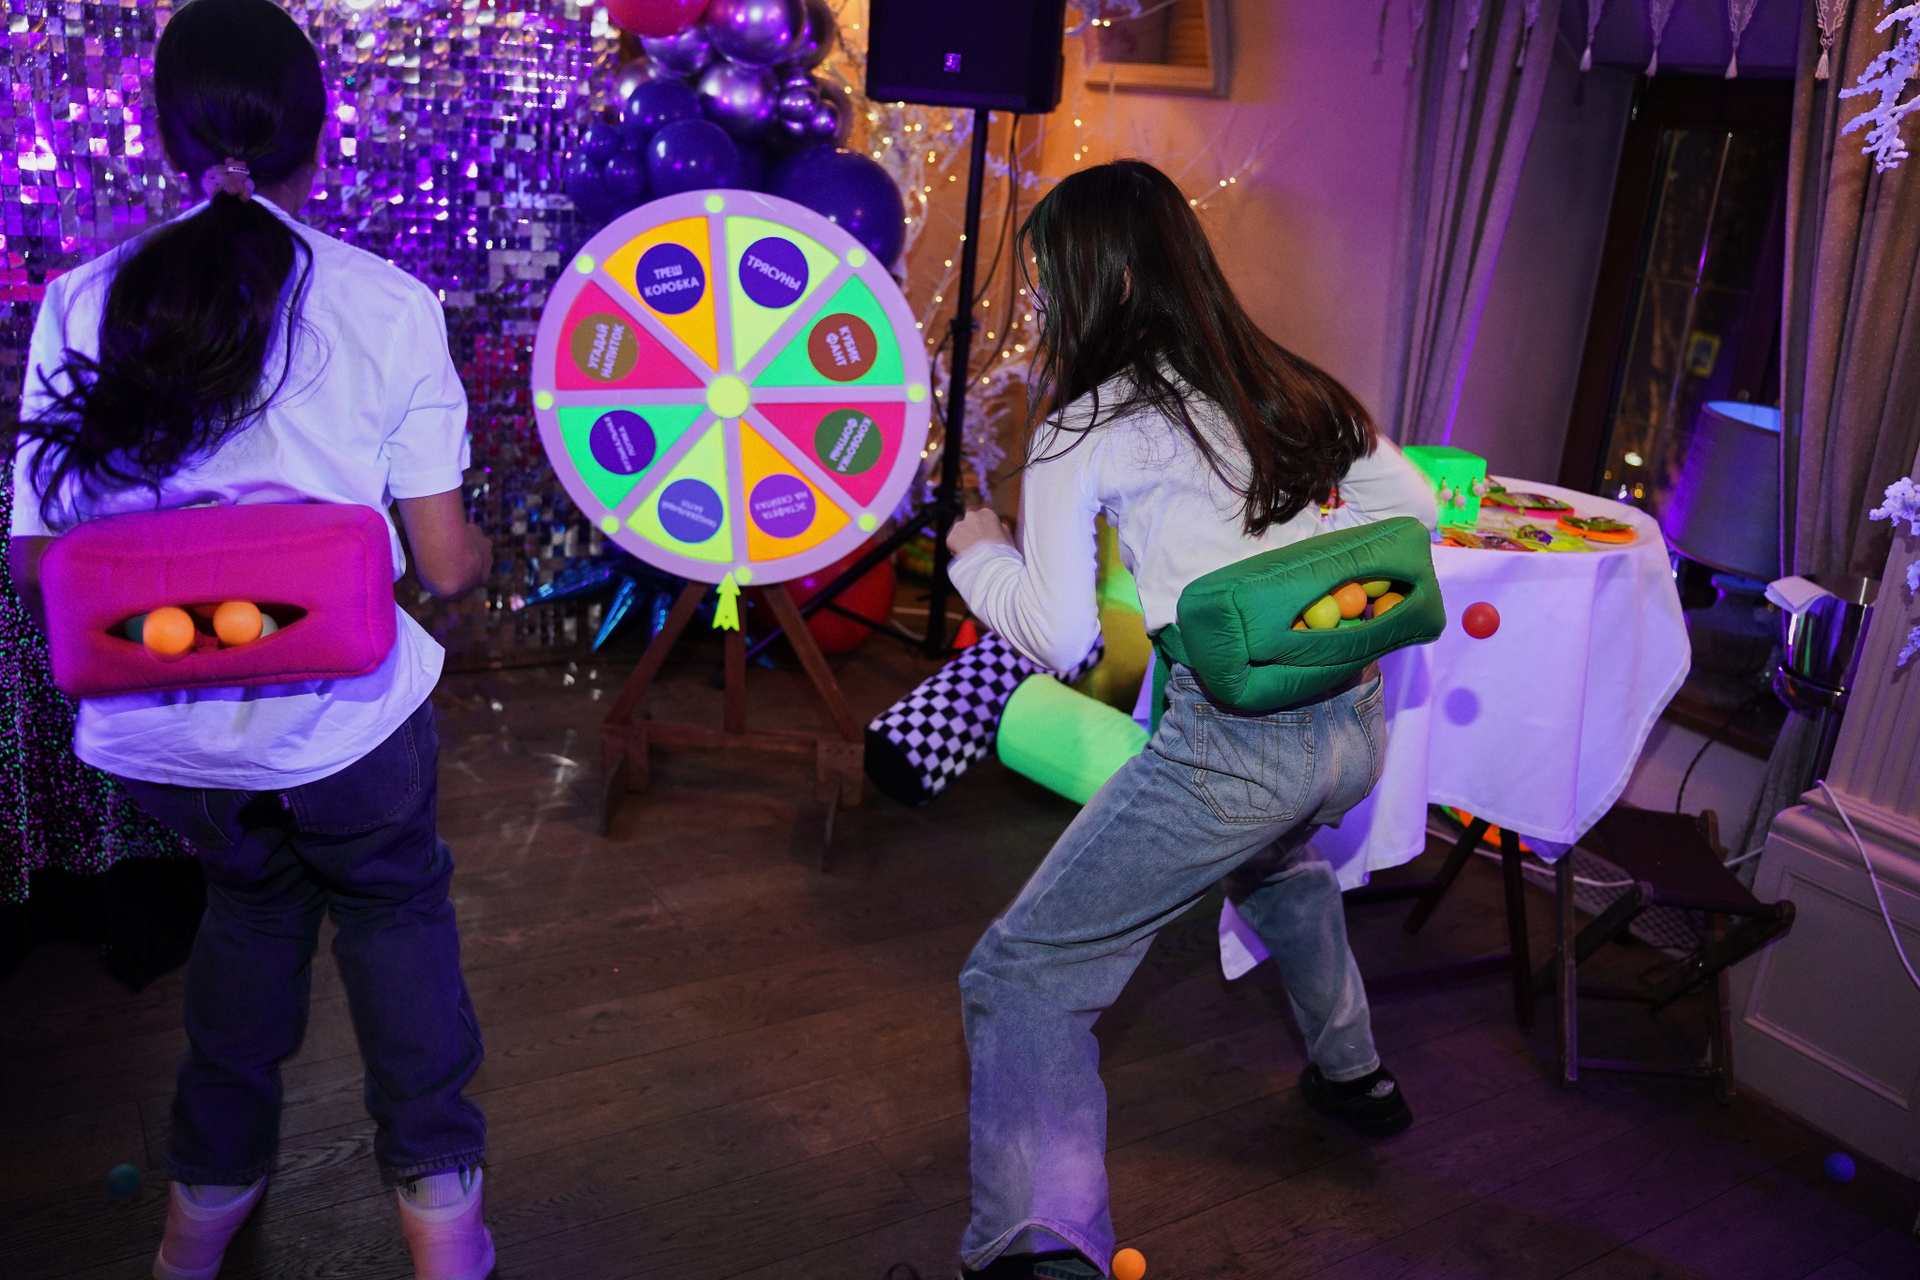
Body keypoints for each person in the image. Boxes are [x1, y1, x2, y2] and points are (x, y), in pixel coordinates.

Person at [8, 3, 496, 1277]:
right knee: (396, 914)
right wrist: (476, 560)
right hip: (347, 724)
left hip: (166, 745)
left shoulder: (79, 300)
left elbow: (35, 563)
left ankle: (199, 1216)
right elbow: (446, 565)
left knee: (250, 916)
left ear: (166, 138)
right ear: (317, 136)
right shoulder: (387, 302)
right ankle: (443, 1220)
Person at [944, 160, 1439, 1280]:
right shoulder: (1286, 379)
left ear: (1109, 282)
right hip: (1351, 729)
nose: (1041, 301)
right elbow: (1411, 507)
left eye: (1049, 278)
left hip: (1231, 752)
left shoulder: (1082, 428)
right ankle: (1355, 1072)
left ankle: (1041, 1251)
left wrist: (979, 556)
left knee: (1022, 976)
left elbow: (1062, 636)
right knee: (1279, 863)